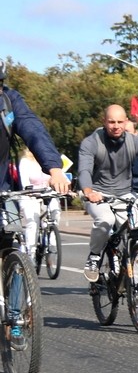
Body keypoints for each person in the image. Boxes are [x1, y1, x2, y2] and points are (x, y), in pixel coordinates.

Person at [77, 105, 138, 281]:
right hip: (98, 194)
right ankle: (94, 257)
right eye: (111, 122)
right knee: (106, 220)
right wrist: (89, 192)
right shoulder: (91, 142)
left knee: (135, 228)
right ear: (104, 122)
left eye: (120, 122)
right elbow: (84, 170)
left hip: (125, 194)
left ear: (126, 121)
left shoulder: (135, 142)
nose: (116, 126)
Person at [0, 63, 72, 250]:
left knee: (9, 240)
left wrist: (54, 169)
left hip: (2, 187)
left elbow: (33, 130)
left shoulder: (9, 101)